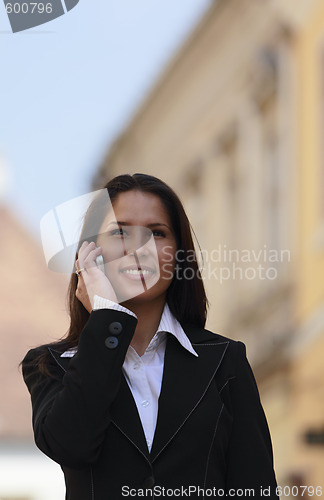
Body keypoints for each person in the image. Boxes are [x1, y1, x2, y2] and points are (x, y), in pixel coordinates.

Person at [22, 173, 279, 499]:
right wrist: (106, 318)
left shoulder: (225, 361)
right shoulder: (50, 365)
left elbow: (256, 489)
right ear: (90, 252)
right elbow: (72, 447)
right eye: (120, 232)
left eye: (157, 233)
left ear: (177, 254)